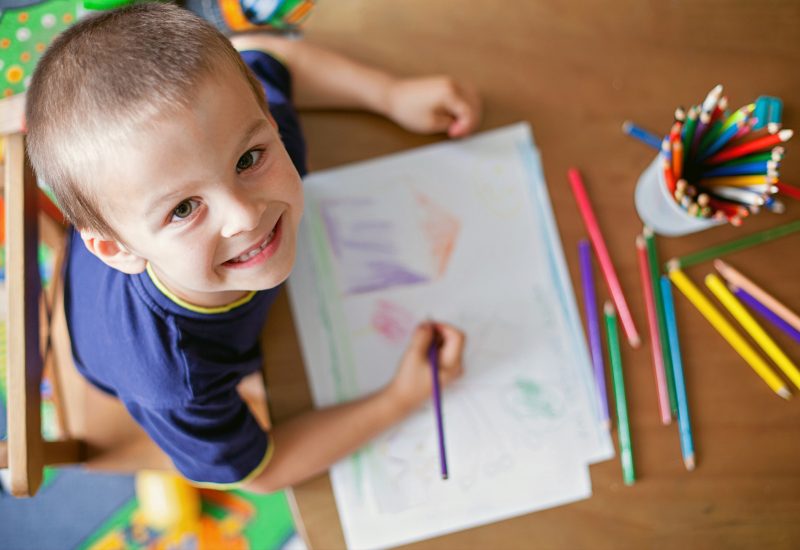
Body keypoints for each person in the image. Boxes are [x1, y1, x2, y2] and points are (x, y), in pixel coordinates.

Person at [24, 3, 480, 492]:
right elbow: (260, 472)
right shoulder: (174, 382)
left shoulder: (237, 130)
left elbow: (267, 54)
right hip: (109, 345)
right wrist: (399, 400)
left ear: (263, 115)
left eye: (248, 159)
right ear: (120, 250)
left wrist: (390, 95)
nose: (245, 215)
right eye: (183, 209)